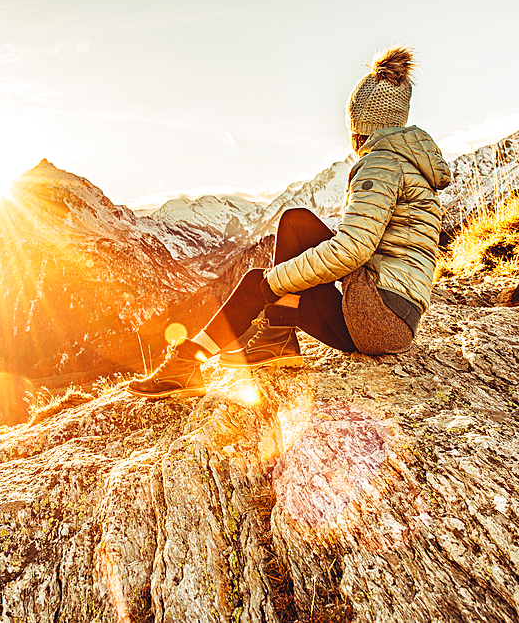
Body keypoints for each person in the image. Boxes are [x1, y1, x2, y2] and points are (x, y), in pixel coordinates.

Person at [129, 45, 451, 399]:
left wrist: (273, 286)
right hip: (395, 317)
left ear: (361, 128)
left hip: (379, 318)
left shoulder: (381, 165)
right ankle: (273, 338)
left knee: (260, 281)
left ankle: (191, 361)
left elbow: (352, 250)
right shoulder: (411, 165)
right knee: (295, 226)